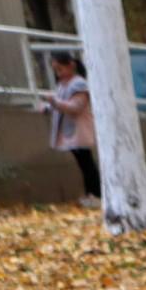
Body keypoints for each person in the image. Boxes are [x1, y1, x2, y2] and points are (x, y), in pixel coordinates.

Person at [40, 52, 99, 207]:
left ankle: (96, 194)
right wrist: (48, 107)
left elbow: (75, 107)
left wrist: (53, 102)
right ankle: (91, 194)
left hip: (78, 131)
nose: (58, 73)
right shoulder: (63, 85)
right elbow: (61, 102)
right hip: (70, 132)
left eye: (59, 69)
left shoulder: (78, 84)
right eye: (55, 70)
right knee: (84, 164)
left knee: (87, 164)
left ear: (70, 66)